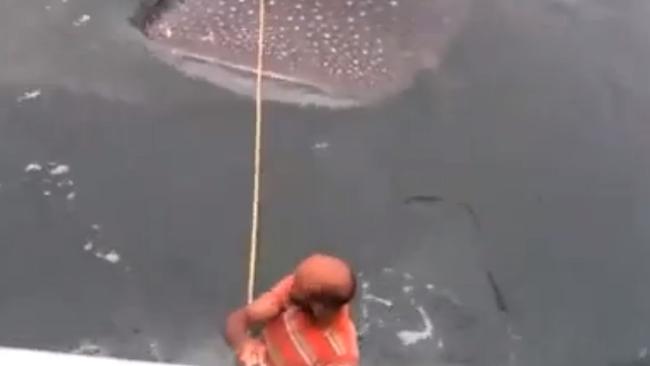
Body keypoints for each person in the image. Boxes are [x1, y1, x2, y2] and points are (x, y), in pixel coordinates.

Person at [224, 253, 359, 366]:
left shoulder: (340, 358)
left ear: (317, 307)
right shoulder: (298, 286)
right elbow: (239, 318)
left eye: (296, 292)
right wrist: (243, 344)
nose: (289, 287)